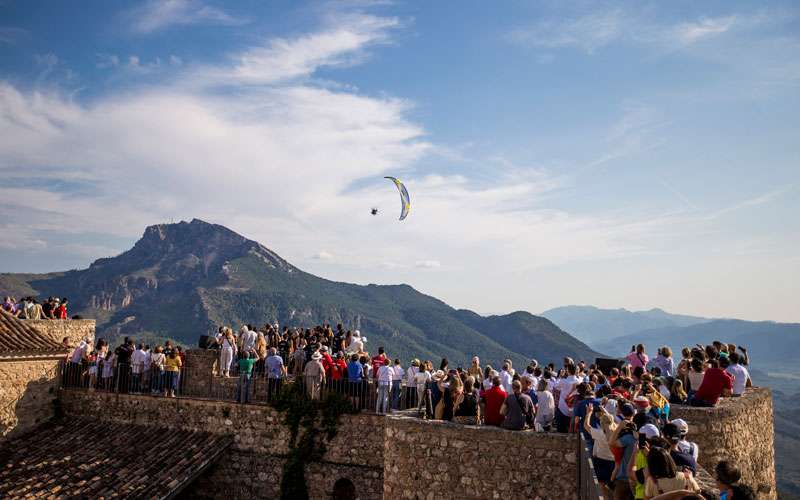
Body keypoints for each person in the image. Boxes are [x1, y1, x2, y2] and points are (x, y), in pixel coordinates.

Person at [609, 403, 638, 500]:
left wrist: (620, 427)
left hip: (624, 479)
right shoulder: (643, 439)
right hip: (637, 480)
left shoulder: (629, 438)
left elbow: (611, 442)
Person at [555, 363, 579, 433]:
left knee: (561, 431)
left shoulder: (564, 381)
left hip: (563, 408)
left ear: (567, 371)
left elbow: (556, 386)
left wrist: (560, 377)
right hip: (573, 408)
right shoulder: (579, 381)